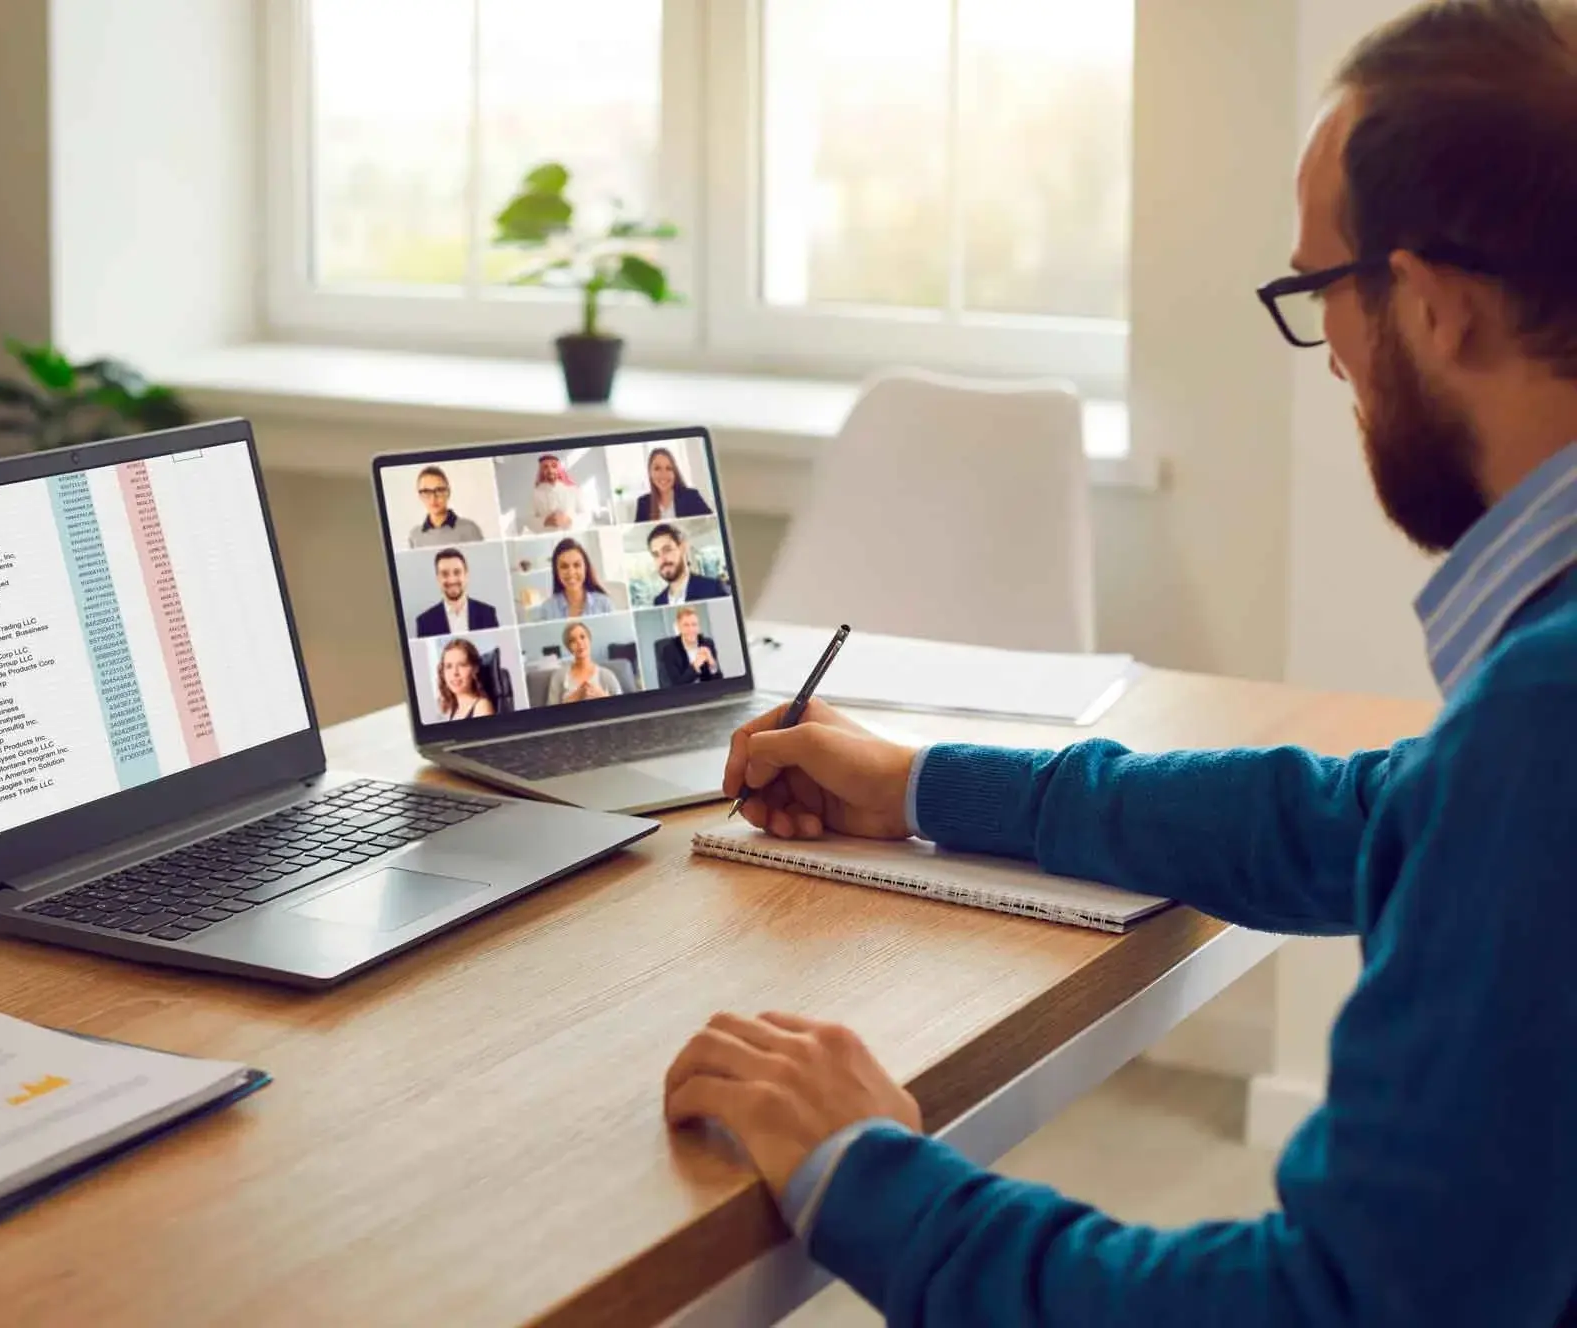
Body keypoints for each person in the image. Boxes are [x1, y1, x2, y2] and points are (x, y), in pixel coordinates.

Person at [663, 4, 1577, 1322]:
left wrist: (869, 1170)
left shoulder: (1545, 720)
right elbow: (1358, 820)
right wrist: (921, 784)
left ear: (1429, 307)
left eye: (1320, 292)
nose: (1329, 351)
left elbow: (1326, 1309)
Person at [413, 549, 501, 638]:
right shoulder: (424, 622)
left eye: (457, 572)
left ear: (466, 575)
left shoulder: (487, 614)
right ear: (438, 578)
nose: (452, 580)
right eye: (444, 574)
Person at [528, 538, 616, 622]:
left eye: (577, 565)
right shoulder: (547, 609)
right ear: (556, 571)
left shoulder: (604, 604)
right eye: (564, 566)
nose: (571, 572)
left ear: (585, 567)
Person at [406, 465, 485, 548]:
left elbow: (482, 560)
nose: (433, 498)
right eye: (426, 492)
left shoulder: (469, 529)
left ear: (448, 493)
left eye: (439, 490)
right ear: (420, 496)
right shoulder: (415, 536)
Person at [646, 524, 726, 606]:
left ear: (683, 548)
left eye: (667, 550)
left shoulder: (712, 589)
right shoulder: (659, 601)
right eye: (656, 554)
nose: (662, 559)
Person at [633, 446, 714, 522]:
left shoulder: (691, 496)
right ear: (650, 472)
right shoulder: (643, 503)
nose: (663, 474)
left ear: (674, 472)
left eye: (668, 468)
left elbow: (712, 525)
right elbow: (638, 534)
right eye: (657, 468)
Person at [550, 621, 624, 704]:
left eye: (582, 637)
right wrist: (573, 699)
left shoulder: (607, 675)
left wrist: (603, 697)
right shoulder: (558, 676)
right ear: (569, 648)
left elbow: (622, 707)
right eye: (573, 641)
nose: (579, 643)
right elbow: (548, 714)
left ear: (589, 640)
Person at [653, 605, 721, 686]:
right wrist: (695, 666)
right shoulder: (669, 650)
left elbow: (719, 682)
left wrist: (712, 663)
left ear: (698, 627)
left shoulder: (707, 643)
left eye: (694, 625)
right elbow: (676, 685)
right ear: (679, 627)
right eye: (686, 625)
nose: (691, 629)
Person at [432, 638, 495, 721]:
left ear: (475, 669)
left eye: (462, 665)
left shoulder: (482, 708)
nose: (455, 673)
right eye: (449, 666)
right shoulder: (453, 710)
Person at [527, 454, 588, 533]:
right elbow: (529, 520)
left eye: (554, 466)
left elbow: (585, 515)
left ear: (559, 469)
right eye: (545, 467)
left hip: (571, 534)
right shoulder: (535, 494)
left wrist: (569, 520)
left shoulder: (573, 490)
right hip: (547, 537)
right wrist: (544, 522)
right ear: (541, 471)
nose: (550, 470)